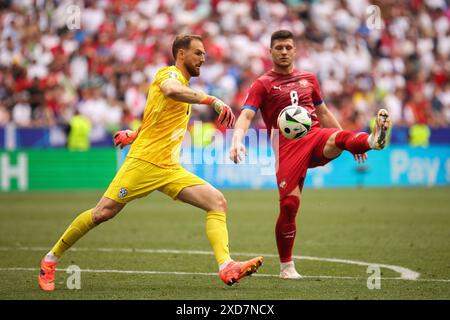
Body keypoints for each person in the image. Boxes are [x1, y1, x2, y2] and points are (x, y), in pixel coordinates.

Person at [38, 34, 263, 291]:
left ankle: (226, 266)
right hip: (143, 163)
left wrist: (135, 133)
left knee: (217, 202)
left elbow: (156, 116)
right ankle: (50, 260)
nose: (203, 58)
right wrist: (211, 99)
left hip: (169, 168)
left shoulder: (185, 85)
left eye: (204, 53)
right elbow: (170, 91)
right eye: (198, 53)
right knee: (103, 213)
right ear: (181, 54)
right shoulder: (168, 75)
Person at [230, 30, 390, 280]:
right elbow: (247, 115)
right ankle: (287, 267)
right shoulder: (263, 84)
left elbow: (324, 113)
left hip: (315, 136)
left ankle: (371, 139)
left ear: (295, 51)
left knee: (339, 136)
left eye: (288, 47)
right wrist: (237, 139)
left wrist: (352, 145)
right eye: (279, 48)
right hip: (287, 146)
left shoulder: (309, 79)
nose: (284, 52)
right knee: (289, 206)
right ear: (270, 52)